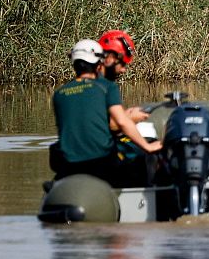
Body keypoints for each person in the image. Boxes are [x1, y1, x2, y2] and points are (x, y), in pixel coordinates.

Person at [50, 39, 162, 187]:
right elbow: (122, 122)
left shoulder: (59, 94)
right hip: (102, 163)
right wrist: (148, 147)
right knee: (142, 154)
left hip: (68, 164)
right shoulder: (106, 87)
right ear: (98, 63)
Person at [97, 30, 149, 125]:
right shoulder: (107, 87)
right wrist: (131, 118)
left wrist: (123, 114)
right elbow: (116, 123)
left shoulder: (77, 84)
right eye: (122, 64)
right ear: (110, 58)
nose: (123, 70)